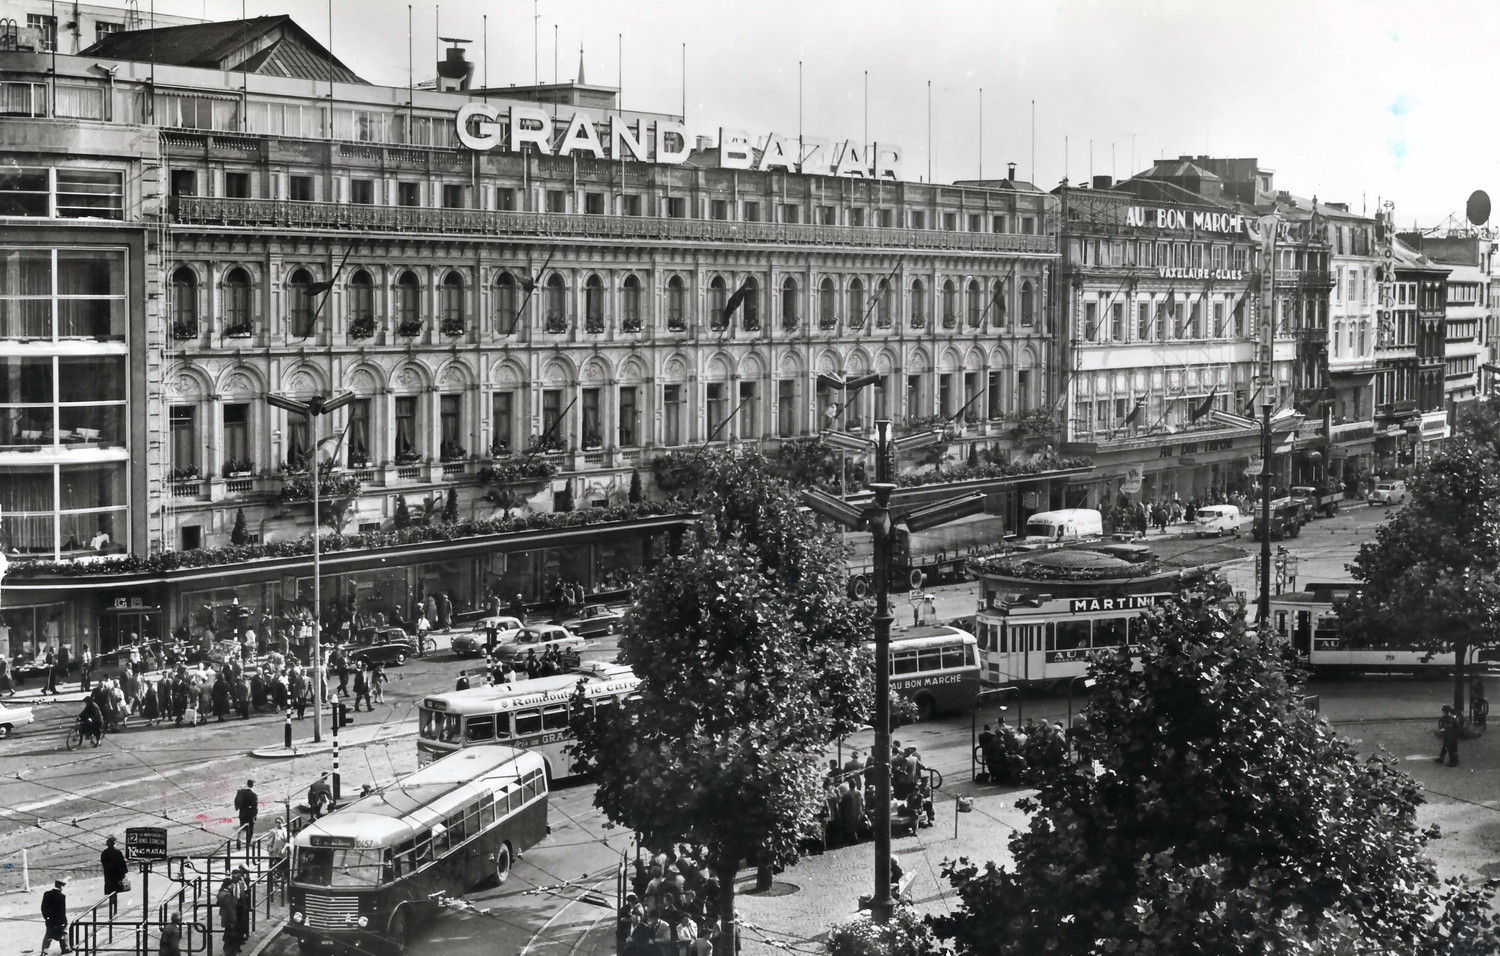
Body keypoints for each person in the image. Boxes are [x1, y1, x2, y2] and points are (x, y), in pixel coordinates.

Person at [40, 876, 71, 954]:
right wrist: (64, 921)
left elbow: (43, 907)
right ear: (61, 886)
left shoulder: (47, 894)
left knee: (48, 935)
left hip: (50, 920)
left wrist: (46, 917)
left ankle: (44, 951)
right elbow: (62, 911)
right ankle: (65, 948)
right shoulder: (62, 896)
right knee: (63, 934)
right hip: (59, 921)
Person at [101, 835, 128, 917]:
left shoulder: (104, 853)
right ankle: (114, 903)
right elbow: (122, 863)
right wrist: (124, 872)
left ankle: (111, 900)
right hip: (117, 873)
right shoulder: (118, 852)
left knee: (110, 887)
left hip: (109, 873)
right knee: (116, 888)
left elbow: (103, 863)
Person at [217, 878, 240, 956]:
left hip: (226, 918)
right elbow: (229, 909)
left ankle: (228, 950)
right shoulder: (226, 895)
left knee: (228, 934)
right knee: (230, 935)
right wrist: (234, 920)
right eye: (231, 885)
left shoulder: (222, 893)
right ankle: (229, 952)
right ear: (228, 885)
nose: (233, 886)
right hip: (229, 919)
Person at [235, 779, 259, 844]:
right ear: (253, 785)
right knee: (250, 829)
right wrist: (255, 815)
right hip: (250, 814)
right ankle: (248, 842)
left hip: (242, 813)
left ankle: (238, 840)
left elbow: (236, 801)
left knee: (242, 827)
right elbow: (255, 807)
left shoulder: (241, 792)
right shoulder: (254, 795)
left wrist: (237, 808)